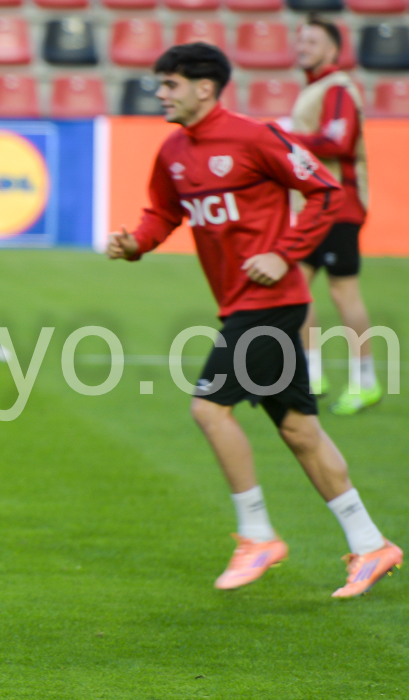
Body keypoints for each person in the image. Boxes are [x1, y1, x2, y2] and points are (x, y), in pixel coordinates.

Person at [107, 43, 400, 598]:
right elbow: (164, 211)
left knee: (209, 408)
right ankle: (370, 544)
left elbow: (325, 191)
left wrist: (284, 252)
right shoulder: (173, 149)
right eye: (160, 85)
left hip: (271, 301)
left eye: (169, 84)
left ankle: (257, 535)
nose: (161, 94)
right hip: (239, 301)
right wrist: (136, 242)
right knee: (299, 429)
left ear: (204, 87)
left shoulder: (254, 136)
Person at [288, 16, 381, 414]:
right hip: (314, 206)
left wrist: (286, 138)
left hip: (337, 205)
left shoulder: (338, 88)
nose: (302, 46)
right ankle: (312, 372)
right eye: (300, 40)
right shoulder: (316, 89)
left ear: (332, 49)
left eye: (311, 41)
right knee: (295, 286)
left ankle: (366, 380)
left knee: (344, 293)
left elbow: (337, 140)